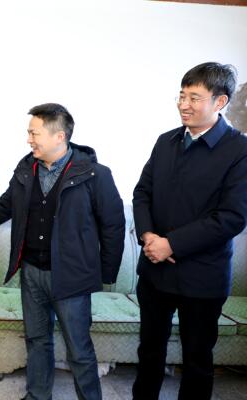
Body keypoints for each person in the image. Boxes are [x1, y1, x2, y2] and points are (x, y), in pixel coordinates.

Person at [0, 103, 125, 400]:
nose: (29, 139)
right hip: (31, 273)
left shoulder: (95, 175)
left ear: (59, 136)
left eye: (34, 133)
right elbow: (2, 208)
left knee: (79, 349)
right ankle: (37, 396)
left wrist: (106, 274)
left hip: (71, 278)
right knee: (37, 340)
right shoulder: (26, 170)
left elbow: (113, 226)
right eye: (29, 133)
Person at [131, 62, 247, 400]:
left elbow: (232, 217)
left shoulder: (239, 151)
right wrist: (149, 237)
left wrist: (172, 244)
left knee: (197, 362)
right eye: (181, 96)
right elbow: (142, 193)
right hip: (155, 271)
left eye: (194, 98)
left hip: (202, 277)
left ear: (220, 101)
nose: (184, 104)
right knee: (149, 352)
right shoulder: (165, 141)